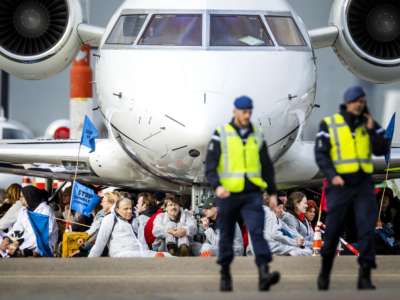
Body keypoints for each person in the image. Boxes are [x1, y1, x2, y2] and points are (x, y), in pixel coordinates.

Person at [314, 86, 390, 290]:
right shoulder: (330, 124)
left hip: (363, 185)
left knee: (367, 231)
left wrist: (374, 128)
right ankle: (325, 273)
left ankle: (364, 276)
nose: (360, 104)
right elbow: (321, 154)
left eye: (362, 101)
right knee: (332, 232)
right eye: (357, 101)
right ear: (348, 103)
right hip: (339, 186)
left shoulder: (368, 124)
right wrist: (332, 176)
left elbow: (382, 148)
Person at [205, 95, 280, 292]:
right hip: (228, 194)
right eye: (243, 112)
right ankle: (225, 274)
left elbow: (266, 165)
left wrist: (272, 192)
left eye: (249, 112)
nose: (247, 116)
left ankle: (264, 273)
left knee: (257, 231)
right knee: (227, 235)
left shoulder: (257, 134)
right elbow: (210, 167)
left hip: (252, 194)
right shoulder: (221, 134)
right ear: (234, 111)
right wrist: (217, 186)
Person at [89, 198, 162, 257]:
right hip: (122, 255)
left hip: (139, 253)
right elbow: (100, 243)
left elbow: (143, 242)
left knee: (167, 256)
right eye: (126, 209)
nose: (129, 211)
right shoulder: (110, 219)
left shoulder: (135, 221)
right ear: (117, 210)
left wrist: (148, 254)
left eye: (130, 208)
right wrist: (89, 263)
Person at [10, 186, 58, 256]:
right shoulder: (23, 210)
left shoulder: (45, 210)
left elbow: (42, 234)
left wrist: (20, 242)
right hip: (26, 241)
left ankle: (27, 252)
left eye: (22, 196)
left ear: (30, 196)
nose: (20, 199)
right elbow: (17, 227)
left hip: (45, 242)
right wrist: (9, 240)